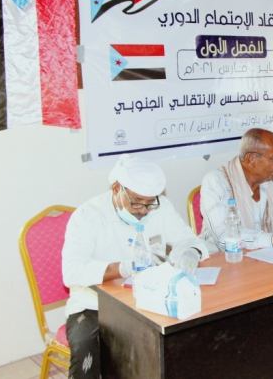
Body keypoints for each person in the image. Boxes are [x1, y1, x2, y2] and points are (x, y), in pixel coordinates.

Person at [62, 154, 208, 379]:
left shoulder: (161, 208)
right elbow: (72, 272)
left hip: (151, 300)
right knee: (86, 351)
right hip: (95, 306)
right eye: (137, 201)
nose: (144, 210)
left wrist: (191, 252)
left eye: (150, 203)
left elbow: (188, 239)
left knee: (184, 339)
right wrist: (122, 268)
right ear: (116, 188)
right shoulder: (87, 215)